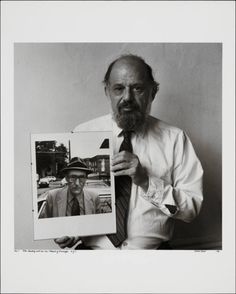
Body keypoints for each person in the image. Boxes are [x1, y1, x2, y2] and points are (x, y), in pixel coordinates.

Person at [55, 54, 203, 250]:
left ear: (153, 92)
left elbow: (191, 210)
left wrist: (146, 181)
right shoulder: (82, 133)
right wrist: (67, 231)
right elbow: (71, 202)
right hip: (92, 258)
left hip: (153, 259)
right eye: (119, 89)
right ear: (107, 91)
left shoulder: (175, 139)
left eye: (138, 89)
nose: (127, 98)